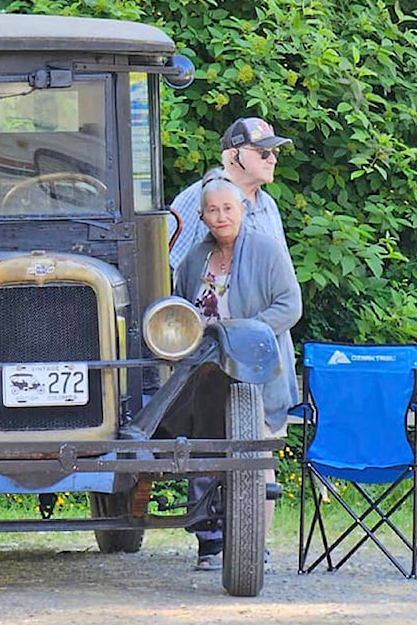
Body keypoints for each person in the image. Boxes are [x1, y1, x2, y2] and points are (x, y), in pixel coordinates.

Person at [174, 170, 302, 571]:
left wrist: (248, 334)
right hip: (206, 372)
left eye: (228, 208)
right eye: (212, 210)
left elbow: (290, 305)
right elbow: (180, 308)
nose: (221, 216)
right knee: (205, 450)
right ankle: (209, 541)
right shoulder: (196, 257)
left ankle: (252, 547)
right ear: (203, 216)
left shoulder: (267, 251)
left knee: (255, 458)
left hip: (256, 371)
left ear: (241, 210)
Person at [168, 116, 293, 271]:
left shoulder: (268, 204)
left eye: (275, 152)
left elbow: (285, 271)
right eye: (264, 152)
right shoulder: (198, 196)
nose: (272, 160)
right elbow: (166, 264)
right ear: (234, 156)